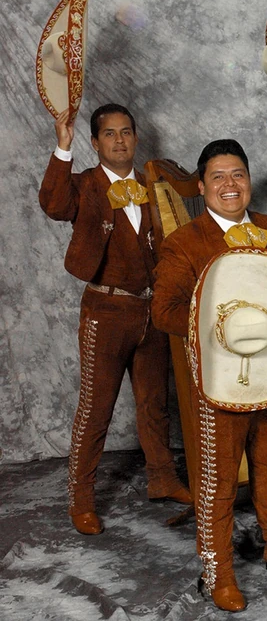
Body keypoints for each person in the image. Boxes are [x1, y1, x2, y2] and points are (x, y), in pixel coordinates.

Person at [152, 139, 267, 613]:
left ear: (249, 181)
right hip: (221, 380)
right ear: (201, 186)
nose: (229, 185)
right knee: (217, 479)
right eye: (218, 177)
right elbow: (164, 312)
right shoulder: (185, 242)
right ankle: (219, 571)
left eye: (237, 174)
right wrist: (220, 320)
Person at [38, 104, 190, 536]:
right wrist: (62, 146)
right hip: (107, 311)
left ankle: (162, 480)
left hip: (151, 309)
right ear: (95, 142)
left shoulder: (152, 186)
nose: (119, 140)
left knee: (154, 404)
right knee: (96, 409)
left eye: (126, 132)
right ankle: (81, 501)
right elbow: (53, 205)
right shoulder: (84, 185)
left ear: (136, 138)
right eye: (109, 134)